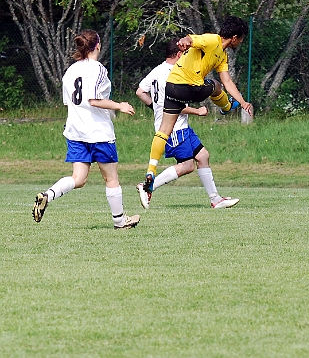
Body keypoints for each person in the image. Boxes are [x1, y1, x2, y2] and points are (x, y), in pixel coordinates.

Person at [33, 29, 141, 229]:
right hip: (98, 132)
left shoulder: (71, 71)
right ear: (97, 45)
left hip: (75, 131)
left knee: (79, 178)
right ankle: (120, 221)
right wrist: (119, 106)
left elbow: (70, 102)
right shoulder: (97, 68)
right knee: (111, 177)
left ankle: (48, 195)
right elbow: (94, 100)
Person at [142, 16, 253, 194]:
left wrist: (241, 101)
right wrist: (185, 41)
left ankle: (151, 171)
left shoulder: (222, 56)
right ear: (234, 37)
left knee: (164, 131)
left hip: (172, 87)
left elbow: (229, 81)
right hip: (187, 87)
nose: (240, 42)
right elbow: (192, 39)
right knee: (215, 85)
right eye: (241, 38)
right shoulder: (212, 40)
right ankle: (225, 107)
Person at [135, 38, 240, 209]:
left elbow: (140, 91)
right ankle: (147, 186)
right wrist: (196, 111)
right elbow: (173, 106)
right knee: (187, 165)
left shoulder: (157, 70)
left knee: (203, 156)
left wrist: (155, 108)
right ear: (178, 54)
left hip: (181, 126)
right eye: (184, 54)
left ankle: (215, 199)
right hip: (174, 129)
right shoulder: (172, 73)